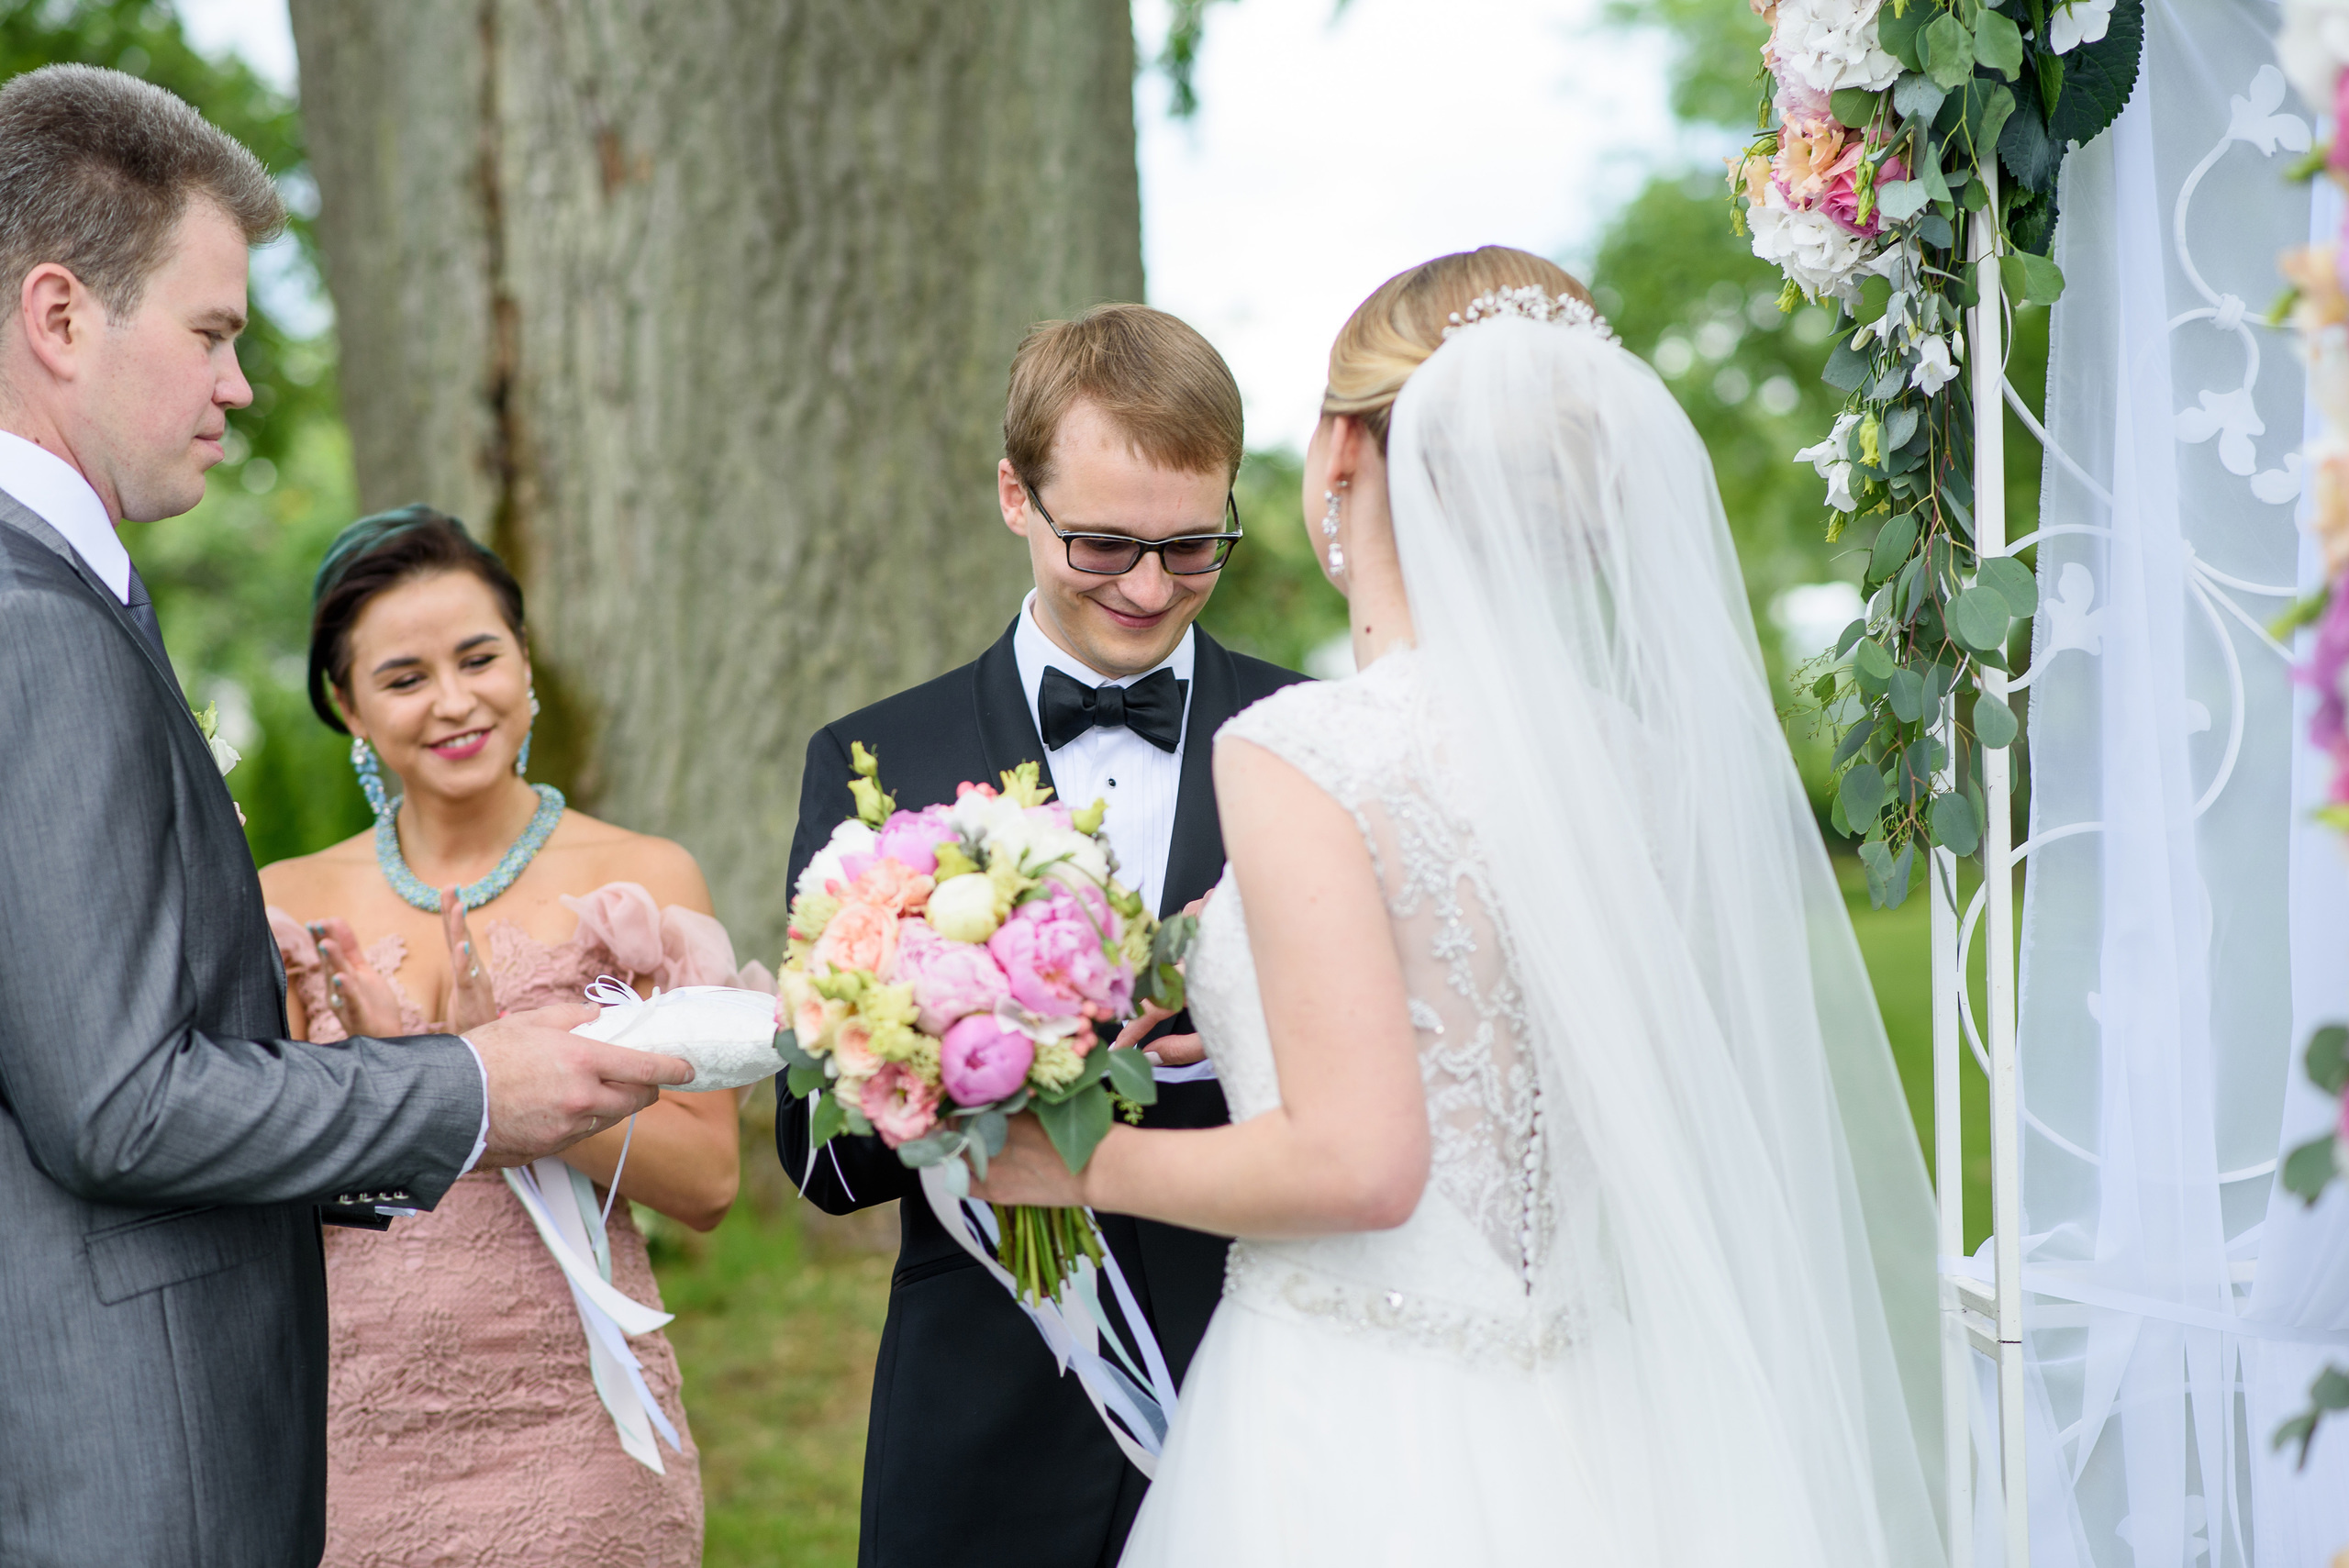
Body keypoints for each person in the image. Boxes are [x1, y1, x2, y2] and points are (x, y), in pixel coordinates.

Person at [974, 249, 1949, 1566]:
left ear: (1339, 452)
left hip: (1363, 1424)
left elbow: (1362, 1164)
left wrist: (1065, 1161)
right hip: (1610, 1413)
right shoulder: (1642, 769)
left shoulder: (1305, 748)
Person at [0, 65, 692, 1568]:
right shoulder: (33, 621)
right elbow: (115, 1102)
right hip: (126, 1473)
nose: (239, 384)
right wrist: (466, 1083)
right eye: (213, 331)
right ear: (60, 317)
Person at [778, 302, 1305, 1567]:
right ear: (1014, 492)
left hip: (1265, 1398)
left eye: (1192, 548)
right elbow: (819, 1158)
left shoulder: (1313, 740)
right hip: (980, 1428)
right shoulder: (876, 757)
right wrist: (940, 1036)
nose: (1145, 587)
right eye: (1105, 543)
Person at [259, 506, 773, 1567]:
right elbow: (259, 1174)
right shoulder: (284, 901)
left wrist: (498, 1063)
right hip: (350, 1425)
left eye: (479, 657)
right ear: (347, 706)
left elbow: (708, 1180)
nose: (454, 702)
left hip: (574, 1421)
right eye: (403, 678)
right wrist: (377, 1091)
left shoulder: (638, 881)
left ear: (527, 664)